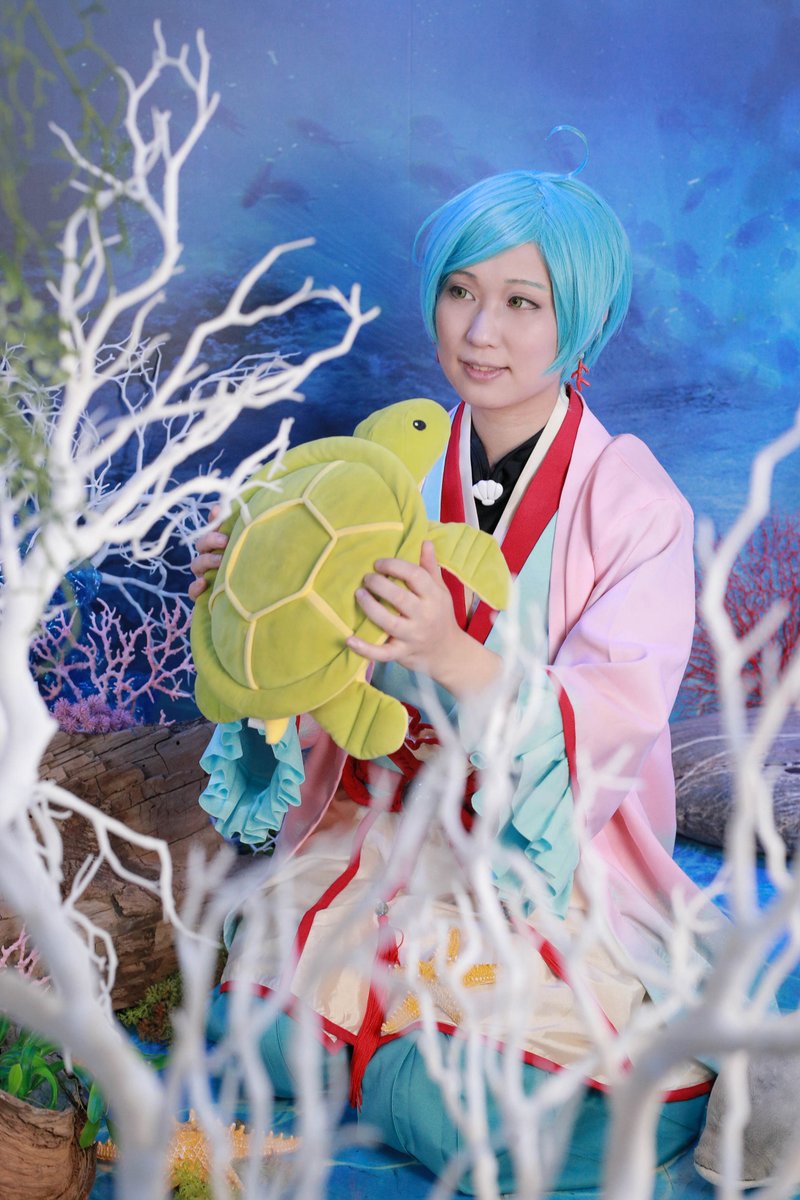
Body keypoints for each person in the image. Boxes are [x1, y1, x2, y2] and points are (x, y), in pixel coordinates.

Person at [189, 160, 718, 1192]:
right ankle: (388, 1047)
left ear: (580, 323)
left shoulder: (635, 503)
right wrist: (250, 603)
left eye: (523, 303)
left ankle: (441, 1067)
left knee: (477, 1113)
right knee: (255, 1038)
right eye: (460, 291)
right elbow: (325, 694)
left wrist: (452, 657)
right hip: (388, 823)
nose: (480, 331)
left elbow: (615, 719)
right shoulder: (387, 468)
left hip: (542, 858)